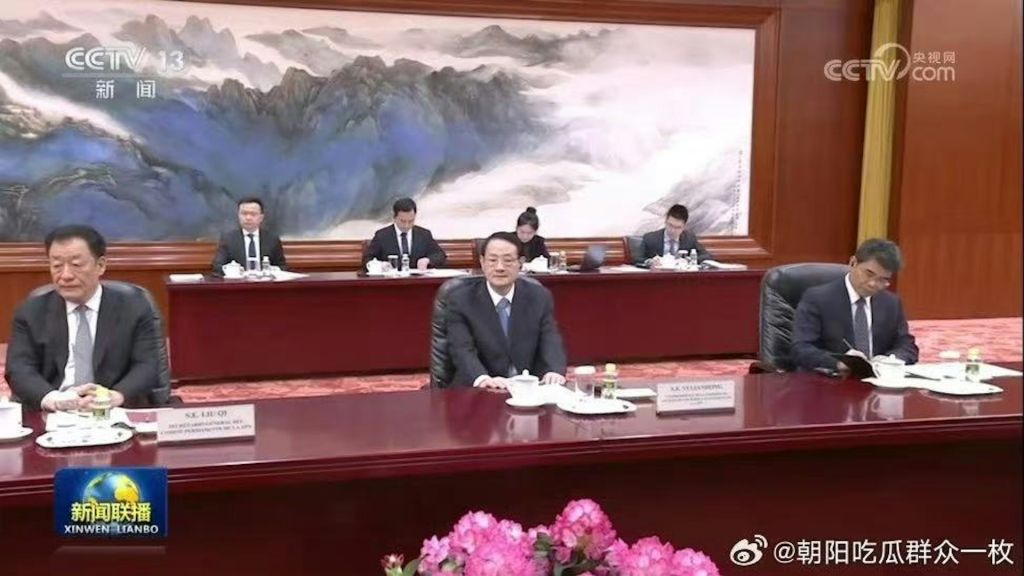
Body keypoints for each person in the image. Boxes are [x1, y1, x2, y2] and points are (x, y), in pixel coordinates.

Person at [5, 225, 162, 411]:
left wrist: (116, 396)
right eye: (56, 266)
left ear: (100, 265)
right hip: (54, 410)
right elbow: (19, 369)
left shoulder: (134, 307)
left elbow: (147, 366)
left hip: (115, 410)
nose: (65, 275)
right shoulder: (31, 311)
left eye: (76, 265)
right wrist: (53, 399)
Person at [446, 232, 567, 388]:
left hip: (528, 387)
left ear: (520, 263)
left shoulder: (538, 296)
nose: (500, 267)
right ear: (482, 262)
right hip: (478, 389)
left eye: (508, 260)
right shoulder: (461, 300)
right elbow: (461, 349)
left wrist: (554, 371)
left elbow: (550, 339)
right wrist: (483, 379)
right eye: (492, 260)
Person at [792, 238, 919, 373]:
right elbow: (801, 348)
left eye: (883, 279)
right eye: (869, 274)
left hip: (878, 379)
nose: (872, 284)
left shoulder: (891, 303)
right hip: (834, 378)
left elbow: (907, 346)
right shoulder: (817, 298)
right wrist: (840, 362)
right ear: (853, 263)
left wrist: (891, 360)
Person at [363, 197, 447, 270]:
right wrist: (380, 265)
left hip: (417, 280)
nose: (407, 226)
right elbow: (367, 259)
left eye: (411, 221)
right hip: (391, 280)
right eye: (403, 221)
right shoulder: (382, 235)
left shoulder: (424, 234)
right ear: (394, 217)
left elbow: (440, 255)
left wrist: (427, 260)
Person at [211, 197, 287, 275]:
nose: (248, 218)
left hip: (264, 281)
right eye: (244, 214)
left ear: (261, 217)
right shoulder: (228, 239)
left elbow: (282, 266)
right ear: (238, 216)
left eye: (253, 214)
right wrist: (233, 271)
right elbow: (217, 266)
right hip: (239, 281)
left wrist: (271, 271)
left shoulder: (272, 240)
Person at [638, 204, 713, 265]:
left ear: (684, 227)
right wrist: (650, 262)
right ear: (665, 221)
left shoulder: (689, 238)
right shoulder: (650, 238)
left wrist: (689, 260)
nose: (673, 230)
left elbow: (706, 256)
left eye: (678, 227)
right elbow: (638, 258)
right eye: (670, 225)